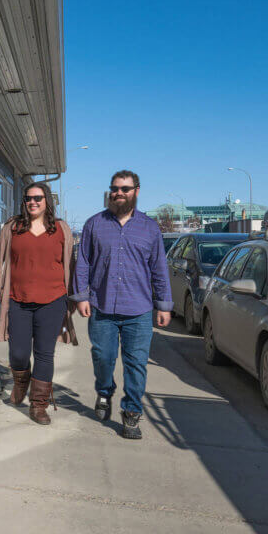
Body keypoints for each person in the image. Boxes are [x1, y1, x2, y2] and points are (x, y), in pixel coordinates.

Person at [72, 170, 173, 439]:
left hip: (139, 311)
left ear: (136, 191)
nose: (119, 193)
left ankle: (131, 414)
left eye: (125, 189)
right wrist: (81, 296)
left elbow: (159, 269)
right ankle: (104, 392)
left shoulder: (150, 228)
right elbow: (83, 263)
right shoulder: (94, 224)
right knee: (103, 358)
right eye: (115, 188)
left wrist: (164, 304)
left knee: (136, 364)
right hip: (102, 307)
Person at [0, 181, 78, 425]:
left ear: (47, 201)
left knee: (44, 353)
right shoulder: (13, 227)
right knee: (18, 353)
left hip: (53, 300)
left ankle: (38, 405)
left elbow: (71, 264)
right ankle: (21, 381)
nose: (33, 202)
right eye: (28, 198)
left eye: (38, 198)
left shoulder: (61, 228)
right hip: (18, 299)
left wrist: (76, 296)